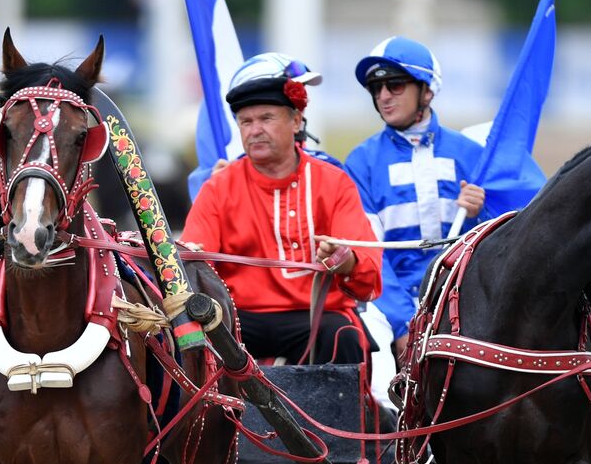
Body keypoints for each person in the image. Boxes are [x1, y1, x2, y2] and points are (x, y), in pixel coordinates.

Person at [182, 53, 381, 364]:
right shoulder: (218, 187)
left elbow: (367, 273)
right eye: (246, 122)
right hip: (239, 317)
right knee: (190, 335)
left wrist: (345, 260)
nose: (254, 130)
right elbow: (193, 264)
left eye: (266, 118)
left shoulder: (334, 182)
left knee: (343, 333)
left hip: (315, 316)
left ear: (296, 120)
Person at [343, 37, 493, 358]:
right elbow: (369, 252)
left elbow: (499, 243)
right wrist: (401, 324)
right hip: (386, 307)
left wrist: (480, 213)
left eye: (395, 85)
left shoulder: (471, 154)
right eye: (375, 88)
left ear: (427, 90)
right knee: (378, 377)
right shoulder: (361, 162)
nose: (383, 97)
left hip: (462, 297)